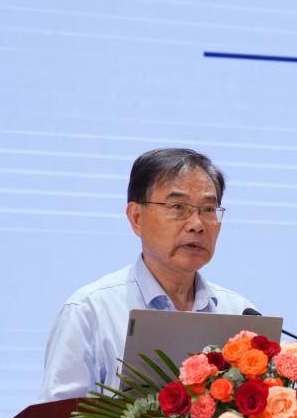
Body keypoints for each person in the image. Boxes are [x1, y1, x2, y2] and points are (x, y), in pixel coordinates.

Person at [39, 148, 255, 401]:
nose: (197, 224)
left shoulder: (241, 314)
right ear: (137, 217)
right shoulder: (90, 311)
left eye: (208, 209)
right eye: (178, 207)